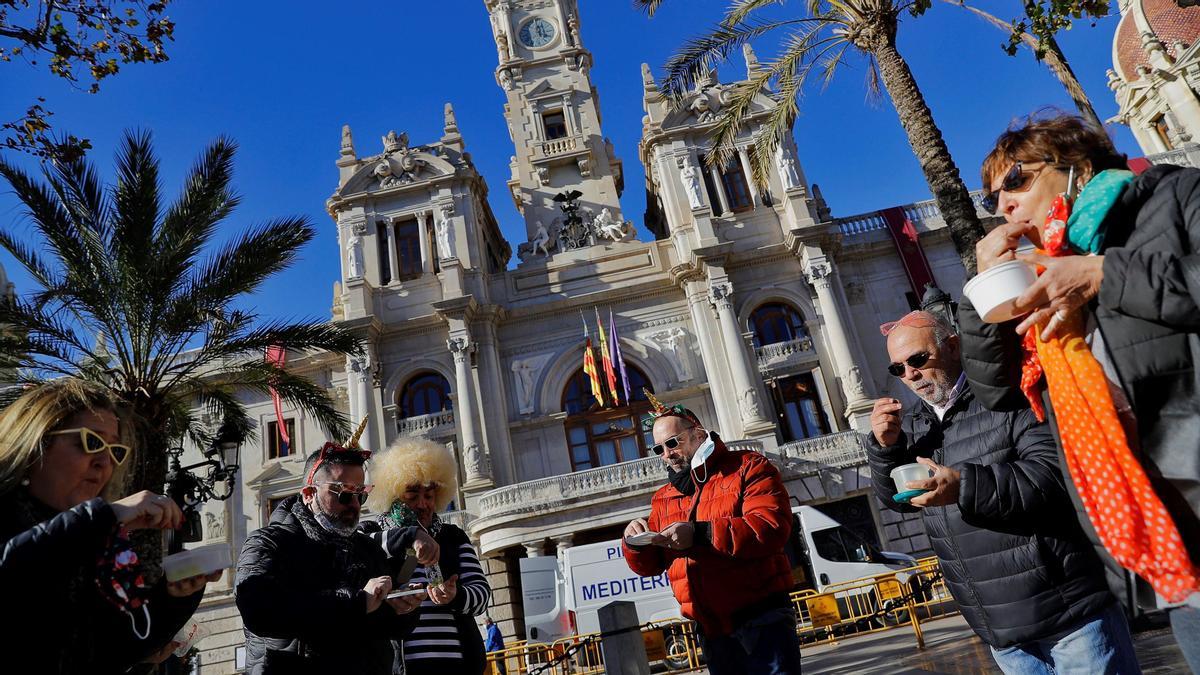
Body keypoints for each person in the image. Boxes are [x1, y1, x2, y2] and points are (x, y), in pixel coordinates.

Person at [962, 112, 1200, 671]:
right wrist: (982, 295)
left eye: (1015, 179)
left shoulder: (1170, 196)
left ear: (1075, 165)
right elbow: (996, 391)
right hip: (1168, 531)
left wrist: (1104, 274)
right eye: (992, 196)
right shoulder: (1044, 271)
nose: (1003, 205)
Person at [867, 310, 1140, 674]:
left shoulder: (1010, 391)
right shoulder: (914, 424)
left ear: (952, 346)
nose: (910, 375)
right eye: (897, 369)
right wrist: (885, 448)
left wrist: (963, 486)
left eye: (917, 360)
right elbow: (897, 503)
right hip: (1002, 635)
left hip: (1070, 616)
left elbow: (1053, 475)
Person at [0, 378, 218, 673]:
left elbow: (113, 650)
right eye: (91, 441)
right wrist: (104, 517)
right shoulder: (89, 527)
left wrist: (172, 597)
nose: (105, 462)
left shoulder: (102, 542)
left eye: (115, 452)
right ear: (38, 439)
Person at [622, 392, 800, 675]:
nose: (667, 454)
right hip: (712, 632)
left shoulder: (749, 466)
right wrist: (635, 544)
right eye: (659, 449)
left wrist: (701, 534)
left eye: (673, 443)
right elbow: (652, 564)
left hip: (762, 619)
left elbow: (770, 527)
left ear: (698, 434)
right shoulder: (663, 497)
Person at [235, 440, 425, 674]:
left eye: (360, 495)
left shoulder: (366, 548)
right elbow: (259, 609)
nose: (354, 505)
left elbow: (386, 629)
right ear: (308, 494)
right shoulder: (269, 543)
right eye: (344, 494)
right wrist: (356, 603)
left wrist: (402, 608)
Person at [366, 437, 491, 675]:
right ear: (392, 497)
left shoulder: (453, 537)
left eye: (429, 495)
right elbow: (358, 551)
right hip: (399, 667)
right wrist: (407, 536)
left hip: (457, 666)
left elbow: (482, 596)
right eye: (412, 496)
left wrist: (456, 595)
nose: (423, 504)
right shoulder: (371, 536)